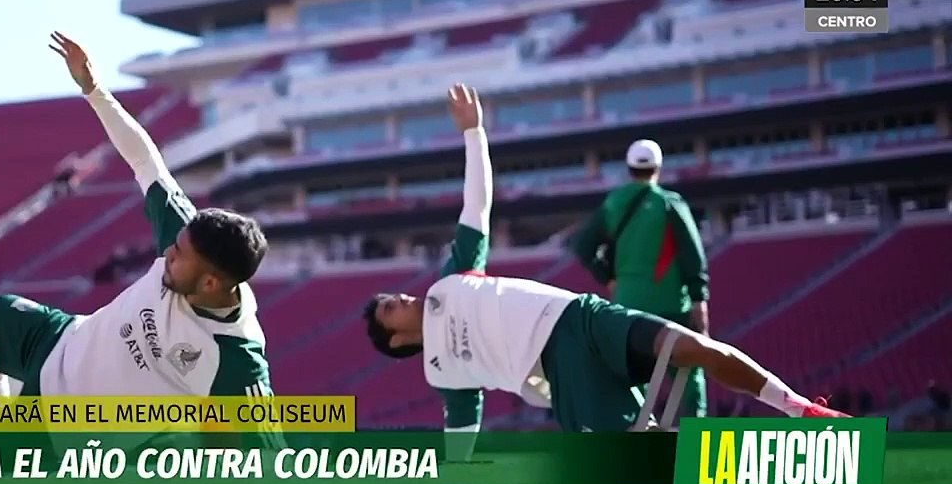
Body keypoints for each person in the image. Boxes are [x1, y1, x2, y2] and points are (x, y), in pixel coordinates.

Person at [361, 84, 848, 455]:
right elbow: (461, 431)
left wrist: (474, 132)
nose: (401, 299)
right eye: (390, 310)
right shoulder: (443, 370)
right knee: (631, 457)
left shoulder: (452, 278)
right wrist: (456, 478)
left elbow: (478, 204)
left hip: (586, 317)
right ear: (398, 341)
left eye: (393, 297)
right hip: (562, 370)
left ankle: (800, 408)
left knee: (693, 348)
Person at [0, 33, 275, 410]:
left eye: (179, 255)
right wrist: (94, 89)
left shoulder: (234, 358)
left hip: (65, 427)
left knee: (9, 463)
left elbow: (266, 449)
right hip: (58, 338)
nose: (169, 253)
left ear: (211, 282)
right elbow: (147, 161)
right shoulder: (186, 234)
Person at [568, 138, 710, 424]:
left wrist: (608, 278)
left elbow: (583, 246)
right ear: (658, 167)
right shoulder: (669, 204)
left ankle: (640, 436)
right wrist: (699, 299)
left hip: (628, 307)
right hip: (671, 306)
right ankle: (693, 435)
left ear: (629, 168)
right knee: (687, 373)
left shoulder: (613, 203)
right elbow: (692, 255)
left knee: (634, 375)